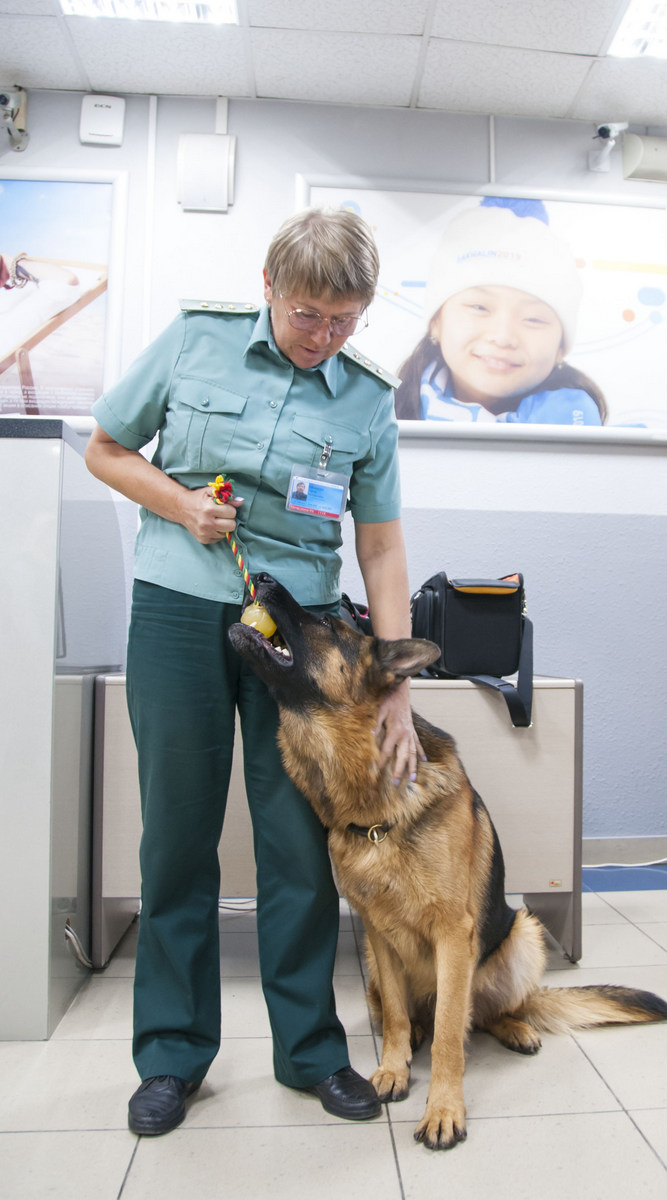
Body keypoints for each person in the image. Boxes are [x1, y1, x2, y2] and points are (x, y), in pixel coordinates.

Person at [85, 208, 422, 1136]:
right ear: (269, 287)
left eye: (344, 320)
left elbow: (382, 547)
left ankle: (310, 1052)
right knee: (178, 841)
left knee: (299, 850)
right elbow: (104, 449)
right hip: (178, 606)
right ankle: (171, 1056)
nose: (323, 337)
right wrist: (181, 504)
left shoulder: (362, 395)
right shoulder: (196, 341)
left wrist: (394, 682)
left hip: (304, 642)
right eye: (308, 313)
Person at [395, 197, 607, 425]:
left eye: (533, 319)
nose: (503, 337)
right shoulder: (376, 417)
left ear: (561, 347)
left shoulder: (579, 426)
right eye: (479, 307)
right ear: (436, 322)